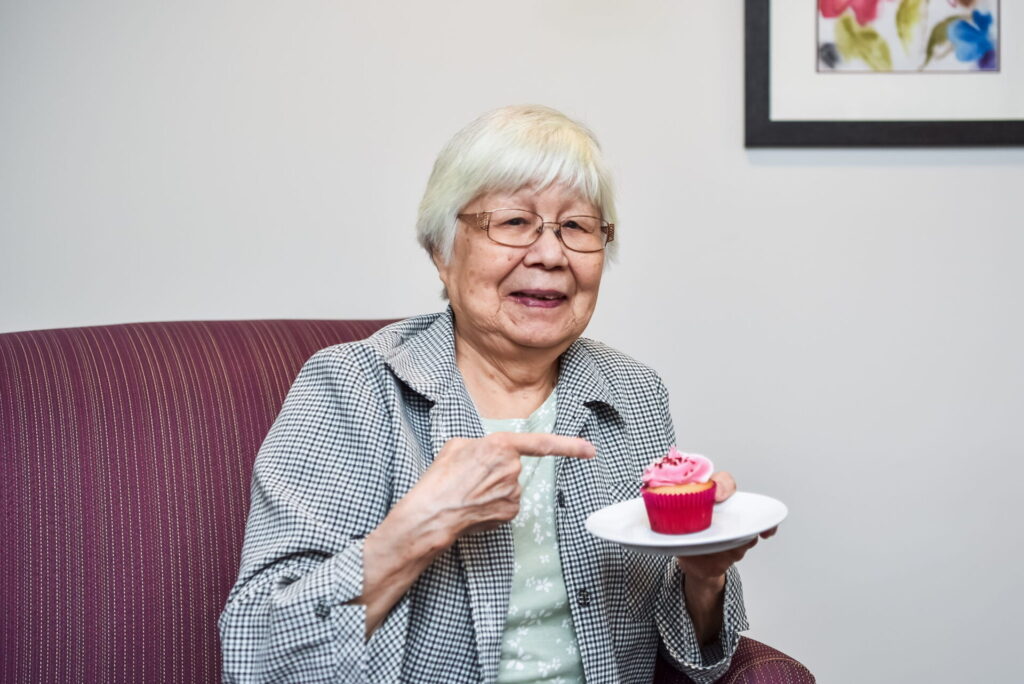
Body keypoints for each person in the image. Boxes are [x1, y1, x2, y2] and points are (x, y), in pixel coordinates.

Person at [219, 105, 772, 683]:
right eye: (513, 223)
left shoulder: (631, 391)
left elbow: (698, 658)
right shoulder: (352, 386)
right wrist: (422, 525)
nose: (551, 255)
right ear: (442, 251)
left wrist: (703, 574)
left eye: (578, 227)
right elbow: (257, 652)